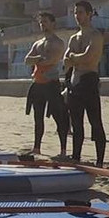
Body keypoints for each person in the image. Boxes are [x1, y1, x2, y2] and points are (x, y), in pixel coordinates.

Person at [62, 0, 106, 167]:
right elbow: (66, 61)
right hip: (75, 83)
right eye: (75, 13)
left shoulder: (95, 35)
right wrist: (75, 58)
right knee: (76, 122)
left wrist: (74, 58)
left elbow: (90, 57)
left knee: (95, 121)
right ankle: (76, 156)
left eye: (80, 12)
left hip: (89, 81)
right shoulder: (74, 38)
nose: (77, 16)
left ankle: (99, 160)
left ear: (89, 14)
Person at [23, 11, 69, 156]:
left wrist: (37, 59)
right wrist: (39, 58)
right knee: (38, 118)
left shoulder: (58, 42)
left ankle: (63, 150)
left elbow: (51, 60)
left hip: (51, 84)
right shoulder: (38, 43)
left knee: (59, 117)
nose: (43, 24)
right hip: (38, 84)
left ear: (53, 23)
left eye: (45, 22)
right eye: (41, 22)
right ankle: (37, 148)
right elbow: (26, 60)